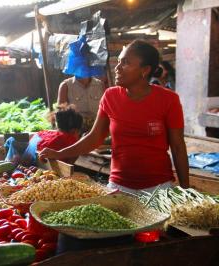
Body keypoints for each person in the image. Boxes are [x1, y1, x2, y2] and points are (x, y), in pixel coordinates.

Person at [40, 40, 189, 194]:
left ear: (145, 70)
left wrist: (186, 191)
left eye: (125, 63)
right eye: (118, 62)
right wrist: (59, 153)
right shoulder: (110, 96)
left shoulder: (168, 100)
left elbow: (178, 147)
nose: (117, 68)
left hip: (159, 188)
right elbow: (94, 138)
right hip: (119, 186)